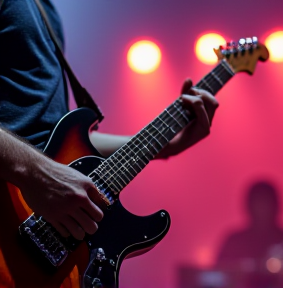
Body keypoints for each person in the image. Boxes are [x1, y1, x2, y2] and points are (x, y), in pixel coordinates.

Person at [0, 0, 218, 242]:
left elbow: (57, 139)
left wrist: (169, 144)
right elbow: (43, 163)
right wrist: (39, 175)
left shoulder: (44, 8)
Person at [215, 180, 283, 288]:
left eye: (266, 203)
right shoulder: (234, 242)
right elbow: (218, 277)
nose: (263, 209)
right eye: (259, 203)